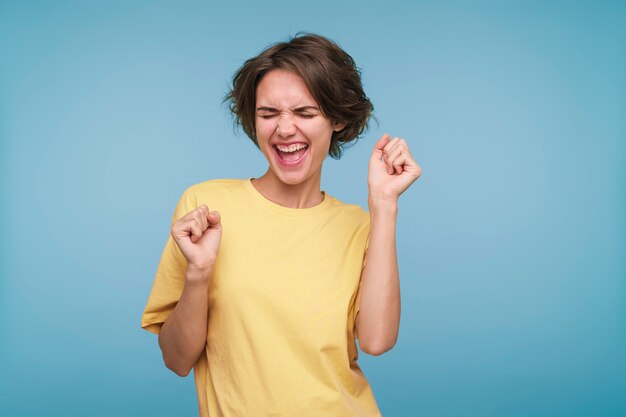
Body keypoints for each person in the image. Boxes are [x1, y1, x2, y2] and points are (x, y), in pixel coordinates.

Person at [141, 33, 422, 417]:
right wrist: (199, 272)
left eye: (305, 113)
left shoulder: (358, 226)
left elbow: (376, 340)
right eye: (268, 114)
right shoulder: (205, 208)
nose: (285, 129)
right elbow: (177, 359)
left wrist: (384, 204)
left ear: (337, 118)